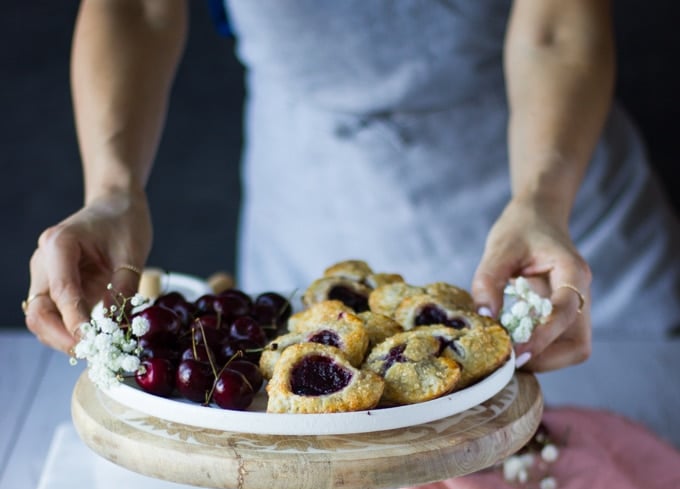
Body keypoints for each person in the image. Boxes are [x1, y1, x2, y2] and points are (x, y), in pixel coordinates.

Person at [23, 0, 680, 373]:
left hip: (553, 211)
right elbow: (139, 10)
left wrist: (542, 198)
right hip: (315, 200)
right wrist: (112, 190)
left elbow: (557, 24)